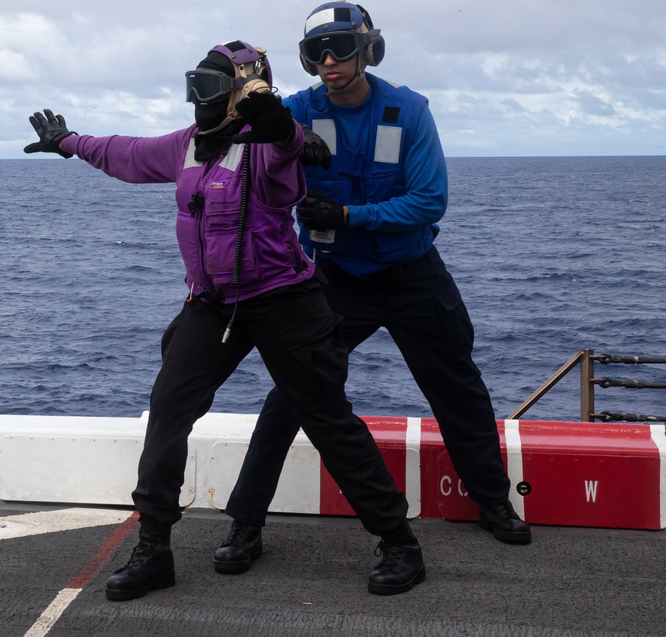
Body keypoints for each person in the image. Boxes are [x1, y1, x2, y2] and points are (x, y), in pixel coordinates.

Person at [24, 40, 426, 599]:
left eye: (210, 89)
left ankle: (399, 541)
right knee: (167, 411)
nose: (198, 100)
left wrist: (283, 131)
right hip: (213, 304)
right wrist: (69, 142)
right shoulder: (190, 146)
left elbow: (288, 164)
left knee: (328, 421)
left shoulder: (269, 145)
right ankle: (154, 550)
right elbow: (128, 153)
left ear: (242, 92)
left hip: (284, 300)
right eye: (194, 86)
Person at [212, 2, 531, 576]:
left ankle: (492, 502)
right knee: (291, 395)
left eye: (340, 48)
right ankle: (246, 525)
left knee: (455, 386)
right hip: (332, 277)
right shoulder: (292, 115)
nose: (329, 62)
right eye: (316, 53)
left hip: (410, 273)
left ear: (369, 50)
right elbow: (239, 165)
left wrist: (348, 215)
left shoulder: (408, 111)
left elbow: (429, 201)